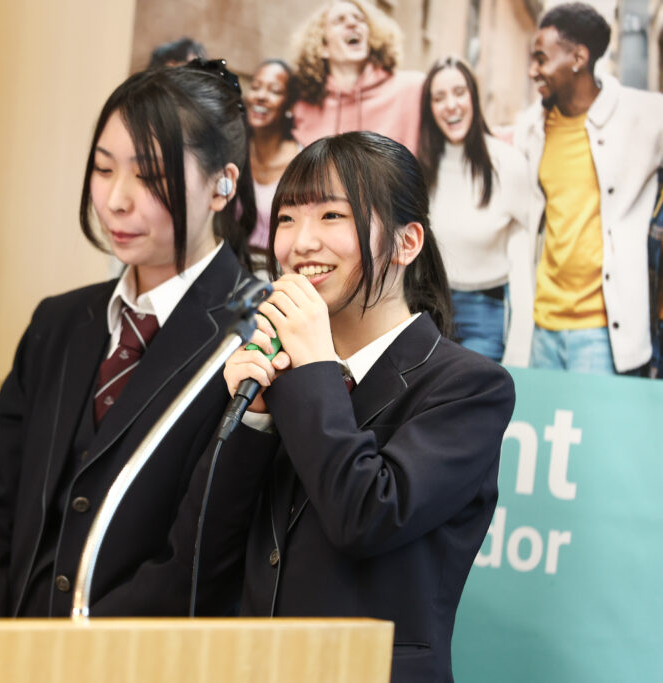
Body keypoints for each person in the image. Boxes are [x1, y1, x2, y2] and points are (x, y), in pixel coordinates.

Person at [190, 132, 515, 683]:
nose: (300, 243)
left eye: (332, 216)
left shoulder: (470, 387)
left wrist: (315, 368)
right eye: (287, 219)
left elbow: (366, 517)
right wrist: (256, 418)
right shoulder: (283, 376)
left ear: (406, 243)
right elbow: (205, 554)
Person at [0, 61, 256, 618]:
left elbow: (205, 557)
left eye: (148, 175)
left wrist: (82, 653)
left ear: (222, 185)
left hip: (137, 653)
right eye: (103, 168)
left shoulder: (253, 336)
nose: (116, 199)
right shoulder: (58, 323)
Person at [516, 2, 663, 374]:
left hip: (603, 332)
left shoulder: (643, 116)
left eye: (541, 59)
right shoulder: (532, 128)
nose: (533, 71)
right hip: (542, 324)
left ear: (579, 58)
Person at [418, 57, 534, 365]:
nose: (451, 105)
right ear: (429, 109)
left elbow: (535, 246)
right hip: (428, 309)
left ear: (474, 98)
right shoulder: (419, 168)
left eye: (459, 92)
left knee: (472, 394)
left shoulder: (507, 164)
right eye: (439, 98)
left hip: (486, 311)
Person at [289, 0, 424, 153]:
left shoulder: (412, 88)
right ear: (323, 47)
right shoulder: (303, 104)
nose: (352, 23)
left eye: (360, 19)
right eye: (339, 20)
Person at [245, 59, 301, 254]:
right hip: (233, 260)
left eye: (275, 91)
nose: (261, 96)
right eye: (255, 87)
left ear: (290, 105)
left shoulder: (301, 163)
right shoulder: (233, 151)